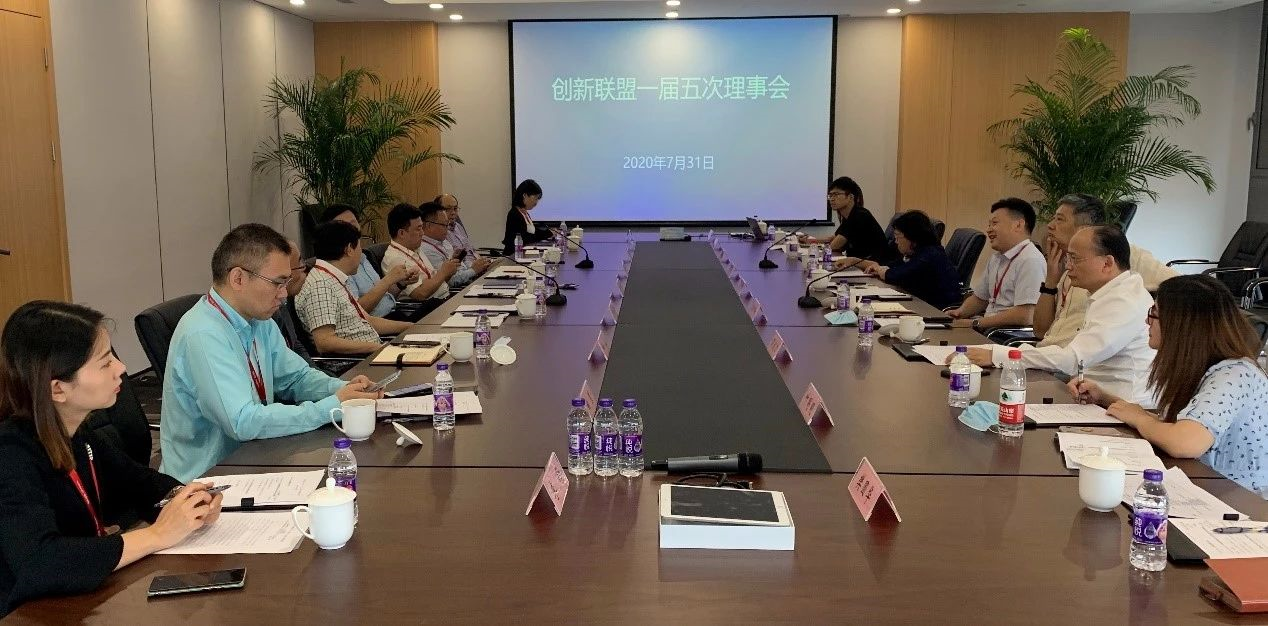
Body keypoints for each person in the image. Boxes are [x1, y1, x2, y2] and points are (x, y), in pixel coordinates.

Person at [0, 301, 225, 616]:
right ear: (58, 389)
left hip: (84, 599)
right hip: (28, 612)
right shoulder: (10, 455)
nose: (121, 368)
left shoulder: (75, 431)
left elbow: (139, 482)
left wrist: (186, 499)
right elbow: (41, 562)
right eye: (105, 362)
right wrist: (157, 535)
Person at [160, 224, 381, 482]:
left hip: (255, 456)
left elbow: (295, 378)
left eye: (286, 283)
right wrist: (331, 407)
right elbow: (242, 421)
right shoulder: (203, 334)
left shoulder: (258, 320)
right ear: (238, 278)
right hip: (206, 480)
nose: (284, 294)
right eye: (277, 283)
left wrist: (343, 389)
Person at [1070, 275, 1267, 497]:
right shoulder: (1203, 367)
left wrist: (1140, 418)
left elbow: (1185, 442)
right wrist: (1105, 398)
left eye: (1154, 313)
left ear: (1182, 323)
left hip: (1242, 504)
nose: (1147, 322)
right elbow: (1174, 426)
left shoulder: (1234, 375)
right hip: (1208, 488)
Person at [956, 225, 1156, 405]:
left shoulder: (1123, 301)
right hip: (1092, 396)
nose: (1068, 266)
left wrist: (999, 355)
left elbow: (1073, 359)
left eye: (1075, 259)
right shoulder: (1111, 292)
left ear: (1107, 263)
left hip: (1121, 409)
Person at [1033, 193, 1178, 347]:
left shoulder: (1119, 252)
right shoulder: (1065, 264)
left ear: (1084, 227)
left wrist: (1149, 318)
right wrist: (1051, 282)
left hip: (1083, 357)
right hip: (1050, 354)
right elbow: (1040, 332)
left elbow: (1180, 287)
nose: (1050, 225)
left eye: (1059, 219)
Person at [297, 220, 414, 355]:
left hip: (372, 353)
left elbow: (367, 320)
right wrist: (377, 348)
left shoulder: (334, 277)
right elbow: (325, 342)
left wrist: (410, 327)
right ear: (349, 249)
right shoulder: (320, 285)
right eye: (359, 247)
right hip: (356, 362)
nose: (361, 253)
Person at [946, 198, 1046, 330]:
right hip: (988, 329)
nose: (988, 230)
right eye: (989, 225)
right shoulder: (997, 258)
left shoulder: (1030, 260)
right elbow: (980, 298)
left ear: (1018, 225)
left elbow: (1025, 314)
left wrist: (975, 323)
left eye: (994, 223)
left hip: (1005, 335)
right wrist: (960, 312)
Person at [322, 204, 418, 320]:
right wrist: (387, 280)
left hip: (394, 314)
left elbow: (384, 296)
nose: (351, 229)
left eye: (353, 224)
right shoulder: (337, 267)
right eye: (344, 226)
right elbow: (356, 312)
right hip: (378, 324)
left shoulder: (365, 256)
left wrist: (400, 284)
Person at [854, 210, 962, 309]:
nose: (896, 241)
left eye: (898, 237)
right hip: (924, 305)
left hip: (938, 311)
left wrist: (881, 270)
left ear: (912, 237)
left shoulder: (929, 256)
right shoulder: (920, 252)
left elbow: (897, 275)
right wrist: (881, 268)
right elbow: (896, 266)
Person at [382, 203, 461, 301]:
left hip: (445, 299)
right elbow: (420, 294)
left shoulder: (414, 248)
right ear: (402, 233)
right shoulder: (396, 258)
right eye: (418, 229)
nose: (422, 233)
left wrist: (449, 270)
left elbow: (435, 282)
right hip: (431, 307)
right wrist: (443, 272)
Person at [417, 201, 491, 288]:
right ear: (429, 226)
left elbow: (459, 271)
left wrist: (459, 261)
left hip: (469, 281)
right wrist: (474, 270)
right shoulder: (426, 250)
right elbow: (449, 282)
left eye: (448, 224)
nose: (447, 228)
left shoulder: (445, 242)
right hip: (458, 291)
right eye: (444, 225)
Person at [822, 176, 890, 262]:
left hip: (874, 265)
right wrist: (810, 241)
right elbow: (834, 239)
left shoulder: (860, 216)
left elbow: (834, 245)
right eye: (830, 195)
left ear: (850, 197)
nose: (831, 199)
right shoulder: (848, 216)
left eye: (836, 194)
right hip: (860, 263)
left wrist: (817, 247)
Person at [271, 240, 311, 362]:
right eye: (300, 263)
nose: (304, 268)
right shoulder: (264, 313)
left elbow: (295, 345)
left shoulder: (282, 302)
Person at [502, 179, 552, 255]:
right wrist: (547, 234)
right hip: (514, 256)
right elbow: (526, 238)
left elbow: (533, 231)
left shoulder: (524, 213)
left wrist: (549, 232)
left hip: (523, 254)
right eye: (535, 198)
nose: (536, 202)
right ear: (525, 195)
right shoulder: (514, 214)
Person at [437, 193, 477, 259]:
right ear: (438, 211)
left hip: (475, 261)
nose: (453, 212)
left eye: (455, 208)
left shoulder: (458, 226)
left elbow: (470, 249)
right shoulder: (439, 231)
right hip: (463, 264)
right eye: (448, 209)